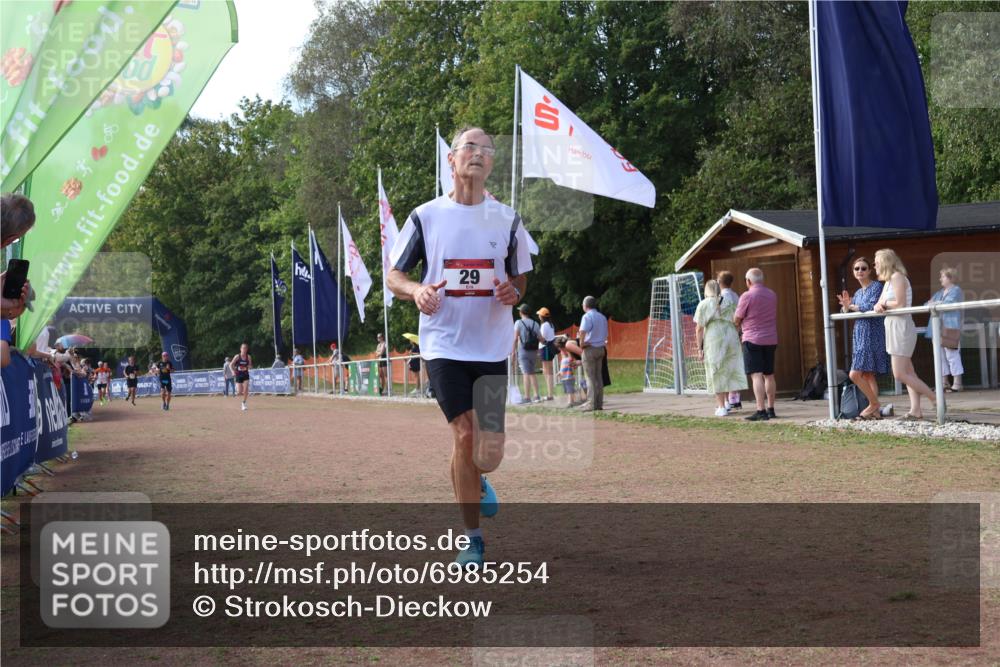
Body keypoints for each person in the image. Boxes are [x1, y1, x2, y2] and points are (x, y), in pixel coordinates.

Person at [387, 126, 533, 569]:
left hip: (490, 348)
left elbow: (521, 277)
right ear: (451, 160)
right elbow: (394, 275)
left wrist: (514, 293)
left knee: (488, 454)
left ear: (491, 164)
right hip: (443, 344)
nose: (478, 153)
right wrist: (415, 292)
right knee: (464, 435)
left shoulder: (508, 219)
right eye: (469, 147)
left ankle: (477, 477)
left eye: (487, 149)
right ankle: (472, 540)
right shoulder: (426, 217)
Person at [873, 249, 936, 420]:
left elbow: (900, 303)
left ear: (885, 262)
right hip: (892, 326)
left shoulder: (897, 277)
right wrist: (880, 305)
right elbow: (879, 303)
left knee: (899, 373)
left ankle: (935, 398)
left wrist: (884, 303)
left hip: (902, 326)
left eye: (876, 262)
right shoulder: (887, 282)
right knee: (909, 371)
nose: (874, 266)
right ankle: (916, 410)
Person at [836, 256, 889, 419]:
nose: (860, 271)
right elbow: (848, 311)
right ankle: (875, 412)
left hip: (872, 333)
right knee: (867, 374)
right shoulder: (858, 292)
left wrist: (852, 306)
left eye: (863, 268)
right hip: (859, 333)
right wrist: (846, 308)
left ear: (870, 271)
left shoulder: (876, 287)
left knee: (854, 374)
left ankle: (874, 404)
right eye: (857, 268)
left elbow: (871, 307)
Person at [694, 280, 748, 417]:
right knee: (728, 368)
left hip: (714, 338)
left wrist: (699, 348)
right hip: (731, 337)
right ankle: (729, 402)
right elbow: (737, 321)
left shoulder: (704, 304)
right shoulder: (729, 302)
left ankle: (721, 406)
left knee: (716, 370)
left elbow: (699, 328)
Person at [734, 268, 778, 421]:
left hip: (752, 338)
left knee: (756, 375)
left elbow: (737, 318)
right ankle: (771, 409)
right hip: (771, 339)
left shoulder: (747, 296)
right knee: (769, 375)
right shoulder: (772, 295)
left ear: (748, 281)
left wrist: (738, 325)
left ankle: (761, 410)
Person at [925, 266, 964, 392]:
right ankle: (944, 382)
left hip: (950, 327)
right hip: (937, 328)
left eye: (943, 276)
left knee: (952, 355)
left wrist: (935, 303)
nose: (940, 279)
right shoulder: (939, 293)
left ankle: (957, 383)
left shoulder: (956, 290)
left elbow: (949, 303)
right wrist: (935, 303)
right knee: (940, 356)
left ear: (950, 278)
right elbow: (927, 304)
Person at [577, 296, 608, 412]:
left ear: (585, 306)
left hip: (590, 349)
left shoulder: (586, 316)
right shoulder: (602, 317)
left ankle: (591, 403)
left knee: (589, 377)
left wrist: (581, 343)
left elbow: (582, 331)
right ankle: (599, 403)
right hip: (601, 348)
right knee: (598, 377)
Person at [717, 271, 743, 410]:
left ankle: (727, 401)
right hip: (735, 334)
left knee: (724, 367)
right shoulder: (735, 295)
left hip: (724, 334)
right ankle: (734, 398)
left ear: (719, 282)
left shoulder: (721, 297)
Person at [513, 304, 543, 403]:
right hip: (534, 351)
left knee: (526, 373)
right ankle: (536, 395)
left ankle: (526, 397)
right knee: (532, 372)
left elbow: (515, 338)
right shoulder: (535, 323)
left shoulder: (518, 322)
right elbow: (540, 338)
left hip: (523, 350)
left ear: (521, 312)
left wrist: (513, 351)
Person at [553, 335, 585, 407]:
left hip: (569, 376)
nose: (560, 350)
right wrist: (560, 372)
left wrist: (573, 363)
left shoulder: (569, 355)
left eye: (561, 348)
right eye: (559, 349)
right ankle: (571, 400)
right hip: (564, 377)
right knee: (567, 390)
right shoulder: (563, 356)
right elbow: (562, 366)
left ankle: (570, 402)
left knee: (570, 390)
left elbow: (572, 363)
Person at [536, 307, 556, 401]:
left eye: (539, 315)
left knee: (547, 372)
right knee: (548, 371)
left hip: (546, 348)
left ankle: (550, 395)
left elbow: (542, 338)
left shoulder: (544, 325)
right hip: (549, 348)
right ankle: (550, 393)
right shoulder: (551, 324)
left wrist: (536, 337)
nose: (539, 316)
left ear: (542, 316)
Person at [229, 343, 252, 411]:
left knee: (246, 389)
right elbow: (230, 365)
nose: (244, 350)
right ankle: (237, 391)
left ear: (247, 349)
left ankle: (243, 403)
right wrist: (233, 371)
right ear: (240, 349)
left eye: (245, 348)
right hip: (238, 375)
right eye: (243, 348)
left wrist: (248, 367)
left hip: (245, 375)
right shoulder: (237, 356)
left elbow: (250, 366)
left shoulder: (249, 357)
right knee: (239, 392)